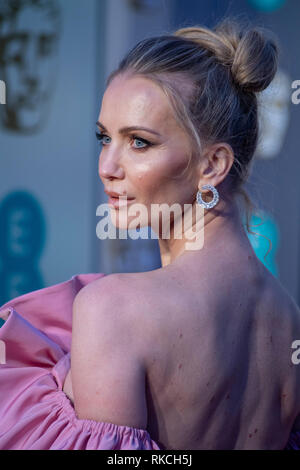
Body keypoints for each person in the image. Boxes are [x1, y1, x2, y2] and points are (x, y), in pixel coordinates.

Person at [1, 17, 300, 450]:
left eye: (139, 142)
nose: (108, 167)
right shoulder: (289, 322)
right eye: (104, 138)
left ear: (212, 165)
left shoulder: (115, 311)